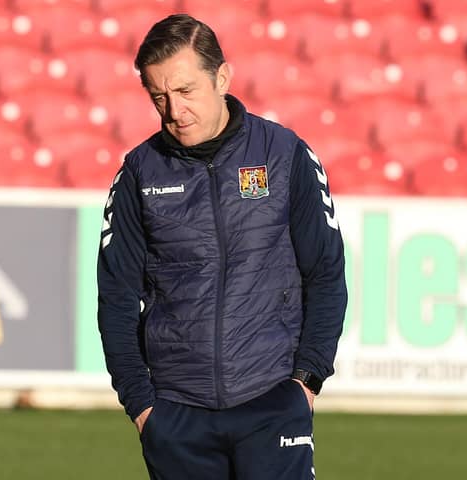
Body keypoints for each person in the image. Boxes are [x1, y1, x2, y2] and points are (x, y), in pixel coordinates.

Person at [97, 13, 347, 480]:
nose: (174, 110)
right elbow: (115, 298)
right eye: (159, 97)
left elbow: (326, 273)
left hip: (273, 401)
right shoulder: (138, 173)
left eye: (186, 91)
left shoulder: (285, 154)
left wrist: (306, 382)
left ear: (223, 78)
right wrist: (142, 406)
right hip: (175, 416)